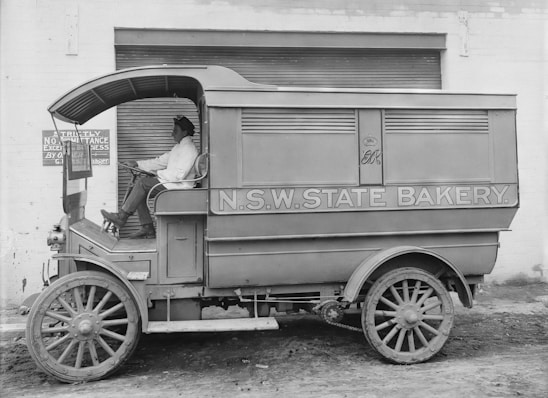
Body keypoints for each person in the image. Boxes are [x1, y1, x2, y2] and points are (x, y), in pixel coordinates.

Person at [101, 116, 198, 238]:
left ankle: (121, 217)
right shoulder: (178, 147)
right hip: (171, 184)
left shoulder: (189, 149)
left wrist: (157, 173)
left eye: (175, 131)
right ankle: (147, 228)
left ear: (185, 132)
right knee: (140, 191)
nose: (172, 134)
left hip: (180, 187)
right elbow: (159, 161)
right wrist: (137, 164)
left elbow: (177, 176)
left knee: (142, 183)